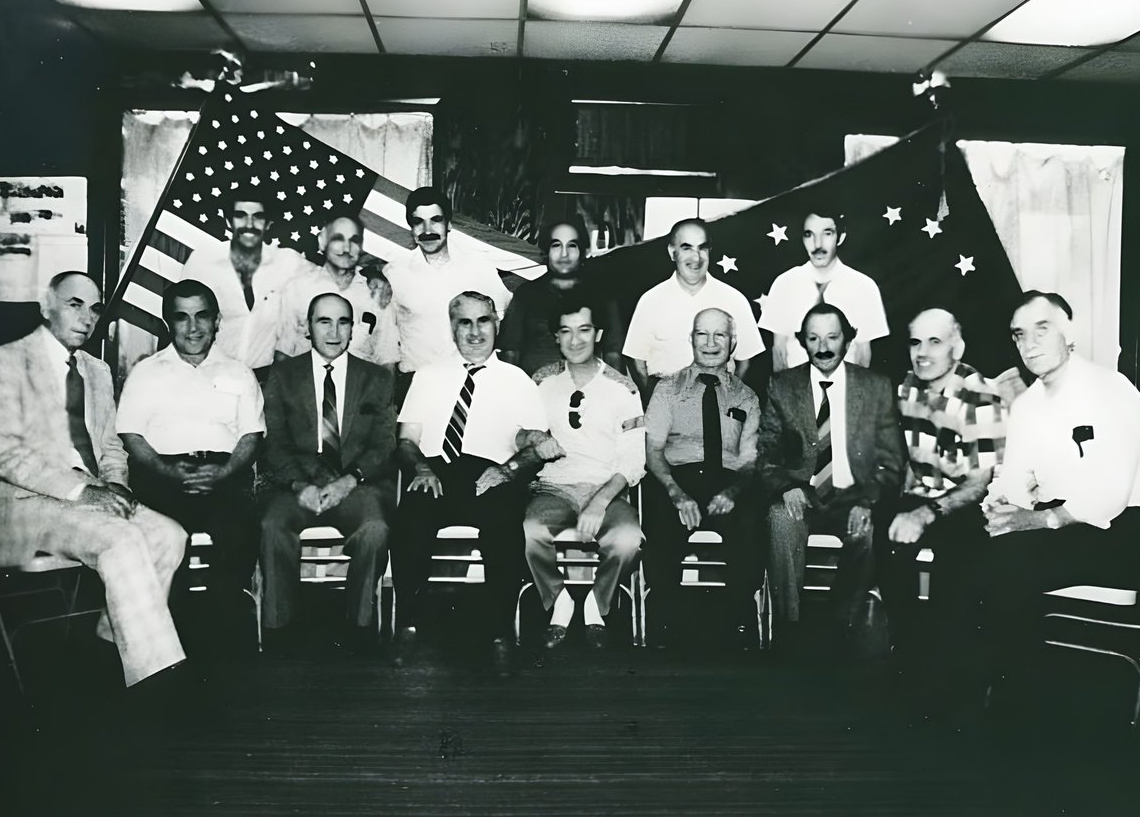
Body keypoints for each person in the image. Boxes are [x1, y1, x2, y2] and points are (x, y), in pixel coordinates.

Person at [0, 271, 187, 688]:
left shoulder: (97, 371)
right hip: (23, 504)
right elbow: (7, 455)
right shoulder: (7, 361)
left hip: (89, 495)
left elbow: (110, 445)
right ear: (47, 307)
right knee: (119, 540)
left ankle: (113, 638)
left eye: (96, 307)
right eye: (74, 304)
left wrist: (115, 483)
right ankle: (156, 678)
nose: (87, 317)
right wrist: (83, 492)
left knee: (169, 535)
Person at [977, 291, 1140, 708]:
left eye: (1041, 329)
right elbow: (1013, 479)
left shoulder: (1110, 388)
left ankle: (1016, 696)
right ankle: (995, 688)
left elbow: (1112, 493)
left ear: (1070, 332)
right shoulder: (1028, 405)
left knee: (1010, 564)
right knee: (976, 547)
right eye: (1019, 335)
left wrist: (1037, 521)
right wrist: (996, 507)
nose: (1028, 343)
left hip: (1121, 531)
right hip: (1060, 527)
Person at [392, 291, 561, 672]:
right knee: (408, 524)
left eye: (483, 320)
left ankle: (501, 634)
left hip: (490, 474)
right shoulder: (427, 375)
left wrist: (507, 471)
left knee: (504, 527)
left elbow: (538, 446)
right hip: (433, 471)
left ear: (496, 324)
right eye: (464, 322)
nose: (474, 331)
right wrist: (420, 469)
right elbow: (405, 441)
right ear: (452, 327)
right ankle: (408, 626)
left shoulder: (517, 381)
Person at [117, 279, 264, 654]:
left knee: (239, 532)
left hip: (224, 473)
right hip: (162, 474)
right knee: (165, 540)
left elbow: (251, 436)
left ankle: (224, 630)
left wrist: (224, 471)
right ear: (169, 323)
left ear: (217, 322)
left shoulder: (238, 373)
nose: (193, 327)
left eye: (202, 316)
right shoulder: (146, 373)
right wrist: (170, 472)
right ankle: (171, 638)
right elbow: (132, 437)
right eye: (181, 318)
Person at [758, 303, 904, 651]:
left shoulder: (876, 386)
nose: (823, 347)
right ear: (802, 342)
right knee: (780, 520)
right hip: (802, 492)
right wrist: (788, 486)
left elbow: (891, 460)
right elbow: (765, 454)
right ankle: (789, 631)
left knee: (867, 531)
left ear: (848, 339)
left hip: (854, 493)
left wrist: (868, 501)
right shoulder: (782, 385)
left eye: (832, 337)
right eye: (813, 338)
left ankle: (839, 625)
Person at [259, 293, 397, 653]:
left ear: (353, 329)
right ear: (308, 327)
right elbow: (274, 443)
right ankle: (280, 628)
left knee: (375, 529)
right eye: (324, 321)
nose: (334, 332)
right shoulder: (283, 376)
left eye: (343, 322)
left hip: (355, 485)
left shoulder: (377, 378)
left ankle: (359, 626)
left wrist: (348, 480)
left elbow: (384, 445)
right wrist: (298, 484)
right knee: (272, 526)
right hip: (297, 485)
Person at [877, 308, 1006, 673]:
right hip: (920, 495)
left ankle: (950, 669)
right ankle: (906, 652)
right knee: (882, 542)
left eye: (935, 342)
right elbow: (905, 462)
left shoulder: (980, 395)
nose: (923, 352)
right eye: (916, 341)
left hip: (968, 503)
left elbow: (981, 484)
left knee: (956, 567)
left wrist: (925, 514)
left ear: (957, 348)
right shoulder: (907, 386)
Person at [525, 294, 645, 651]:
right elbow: (523, 437)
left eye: (584, 330)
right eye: (566, 331)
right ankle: (559, 602)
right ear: (556, 337)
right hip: (554, 487)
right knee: (531, 530)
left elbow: (633, 458)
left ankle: (596, 606)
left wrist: (600, 502)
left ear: (599, 333)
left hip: (606, 488)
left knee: (627, 539)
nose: (575, 340)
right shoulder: (541, 383)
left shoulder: (623, 387)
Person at [641, 308, 762, 647]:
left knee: (751, 525)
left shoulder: (746, 397)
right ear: (691, 339)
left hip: (728, 482)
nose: (710, 343)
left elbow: (751, 460)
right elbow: (653, 452)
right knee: (661, 522)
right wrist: (676, 493)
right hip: (676, 478)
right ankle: (664, 618)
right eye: (702, 334)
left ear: (732, 342)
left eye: (719, 335)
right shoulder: (667, 389)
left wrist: (734, 492)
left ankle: (739, 617)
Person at [623, 218, 764, 396]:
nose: (696, 258)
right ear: (672, 252)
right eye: (687, 247)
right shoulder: (650, 300)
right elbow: (636, 359)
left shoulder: (734, 299)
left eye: (702, 248)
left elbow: (747, 359)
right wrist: (653, 404)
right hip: (665, 403)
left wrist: (730, 401)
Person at [180, 188, 315, 371]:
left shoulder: (288, 263)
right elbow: (179, 320)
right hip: (209, 376)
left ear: (268, 224)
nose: (249, 224)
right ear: (229, 221)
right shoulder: (203, 262)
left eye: (258, 217)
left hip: (265, 381)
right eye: (241, 215)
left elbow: (328, 285)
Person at [384, 187, 512, 380]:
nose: (428, 231)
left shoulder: (479, 267)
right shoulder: (395, 273)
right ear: (411, 228)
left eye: (436, 220)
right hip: (415, 382)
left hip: (468, 382)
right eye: (419, 222)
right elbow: (386, 338)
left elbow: (502, 321)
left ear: (449, 224)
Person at [759, 208, 888, 371]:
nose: (817, 244)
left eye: (827, 233)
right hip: (796, 389)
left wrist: (855, 393)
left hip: (846, 388)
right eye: (809, 234)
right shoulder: (784, 283)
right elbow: (779, 351)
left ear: (840, 237)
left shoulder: (864, 286)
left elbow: (863, 353)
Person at [499, 216, 625, 375]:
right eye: (556, 245)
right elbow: (510, 351)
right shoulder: (526, 294)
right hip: (535, 389)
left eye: (572, 245)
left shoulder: (601, 295)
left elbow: (613, 352)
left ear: (583, 251)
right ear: (546, 251)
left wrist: (615, 391)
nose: (564, 254)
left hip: (585, 391)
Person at [275, 213, 399, 372]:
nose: (346, 248)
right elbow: (283, 355)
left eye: (354, 240)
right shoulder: (298, 288)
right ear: (322, 242)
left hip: (360, 390)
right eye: (338, 239)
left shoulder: (377, 293)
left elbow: (387, 359)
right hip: (307, 389)